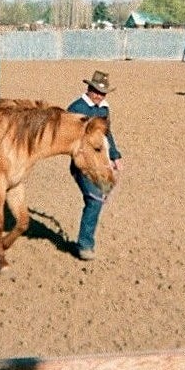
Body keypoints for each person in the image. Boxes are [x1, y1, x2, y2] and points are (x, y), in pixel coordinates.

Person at [67, 70, 123, 260]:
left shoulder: (104, 109)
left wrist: (115, 156)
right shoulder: (76, 107)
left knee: (102, 194)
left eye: (103, 93)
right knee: (94, 200)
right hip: (82, 164)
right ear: (89, 89)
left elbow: (108, 133)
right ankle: (85, 245)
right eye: (97, 91)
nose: (100, 96)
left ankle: (85, 239)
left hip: (99, 162)